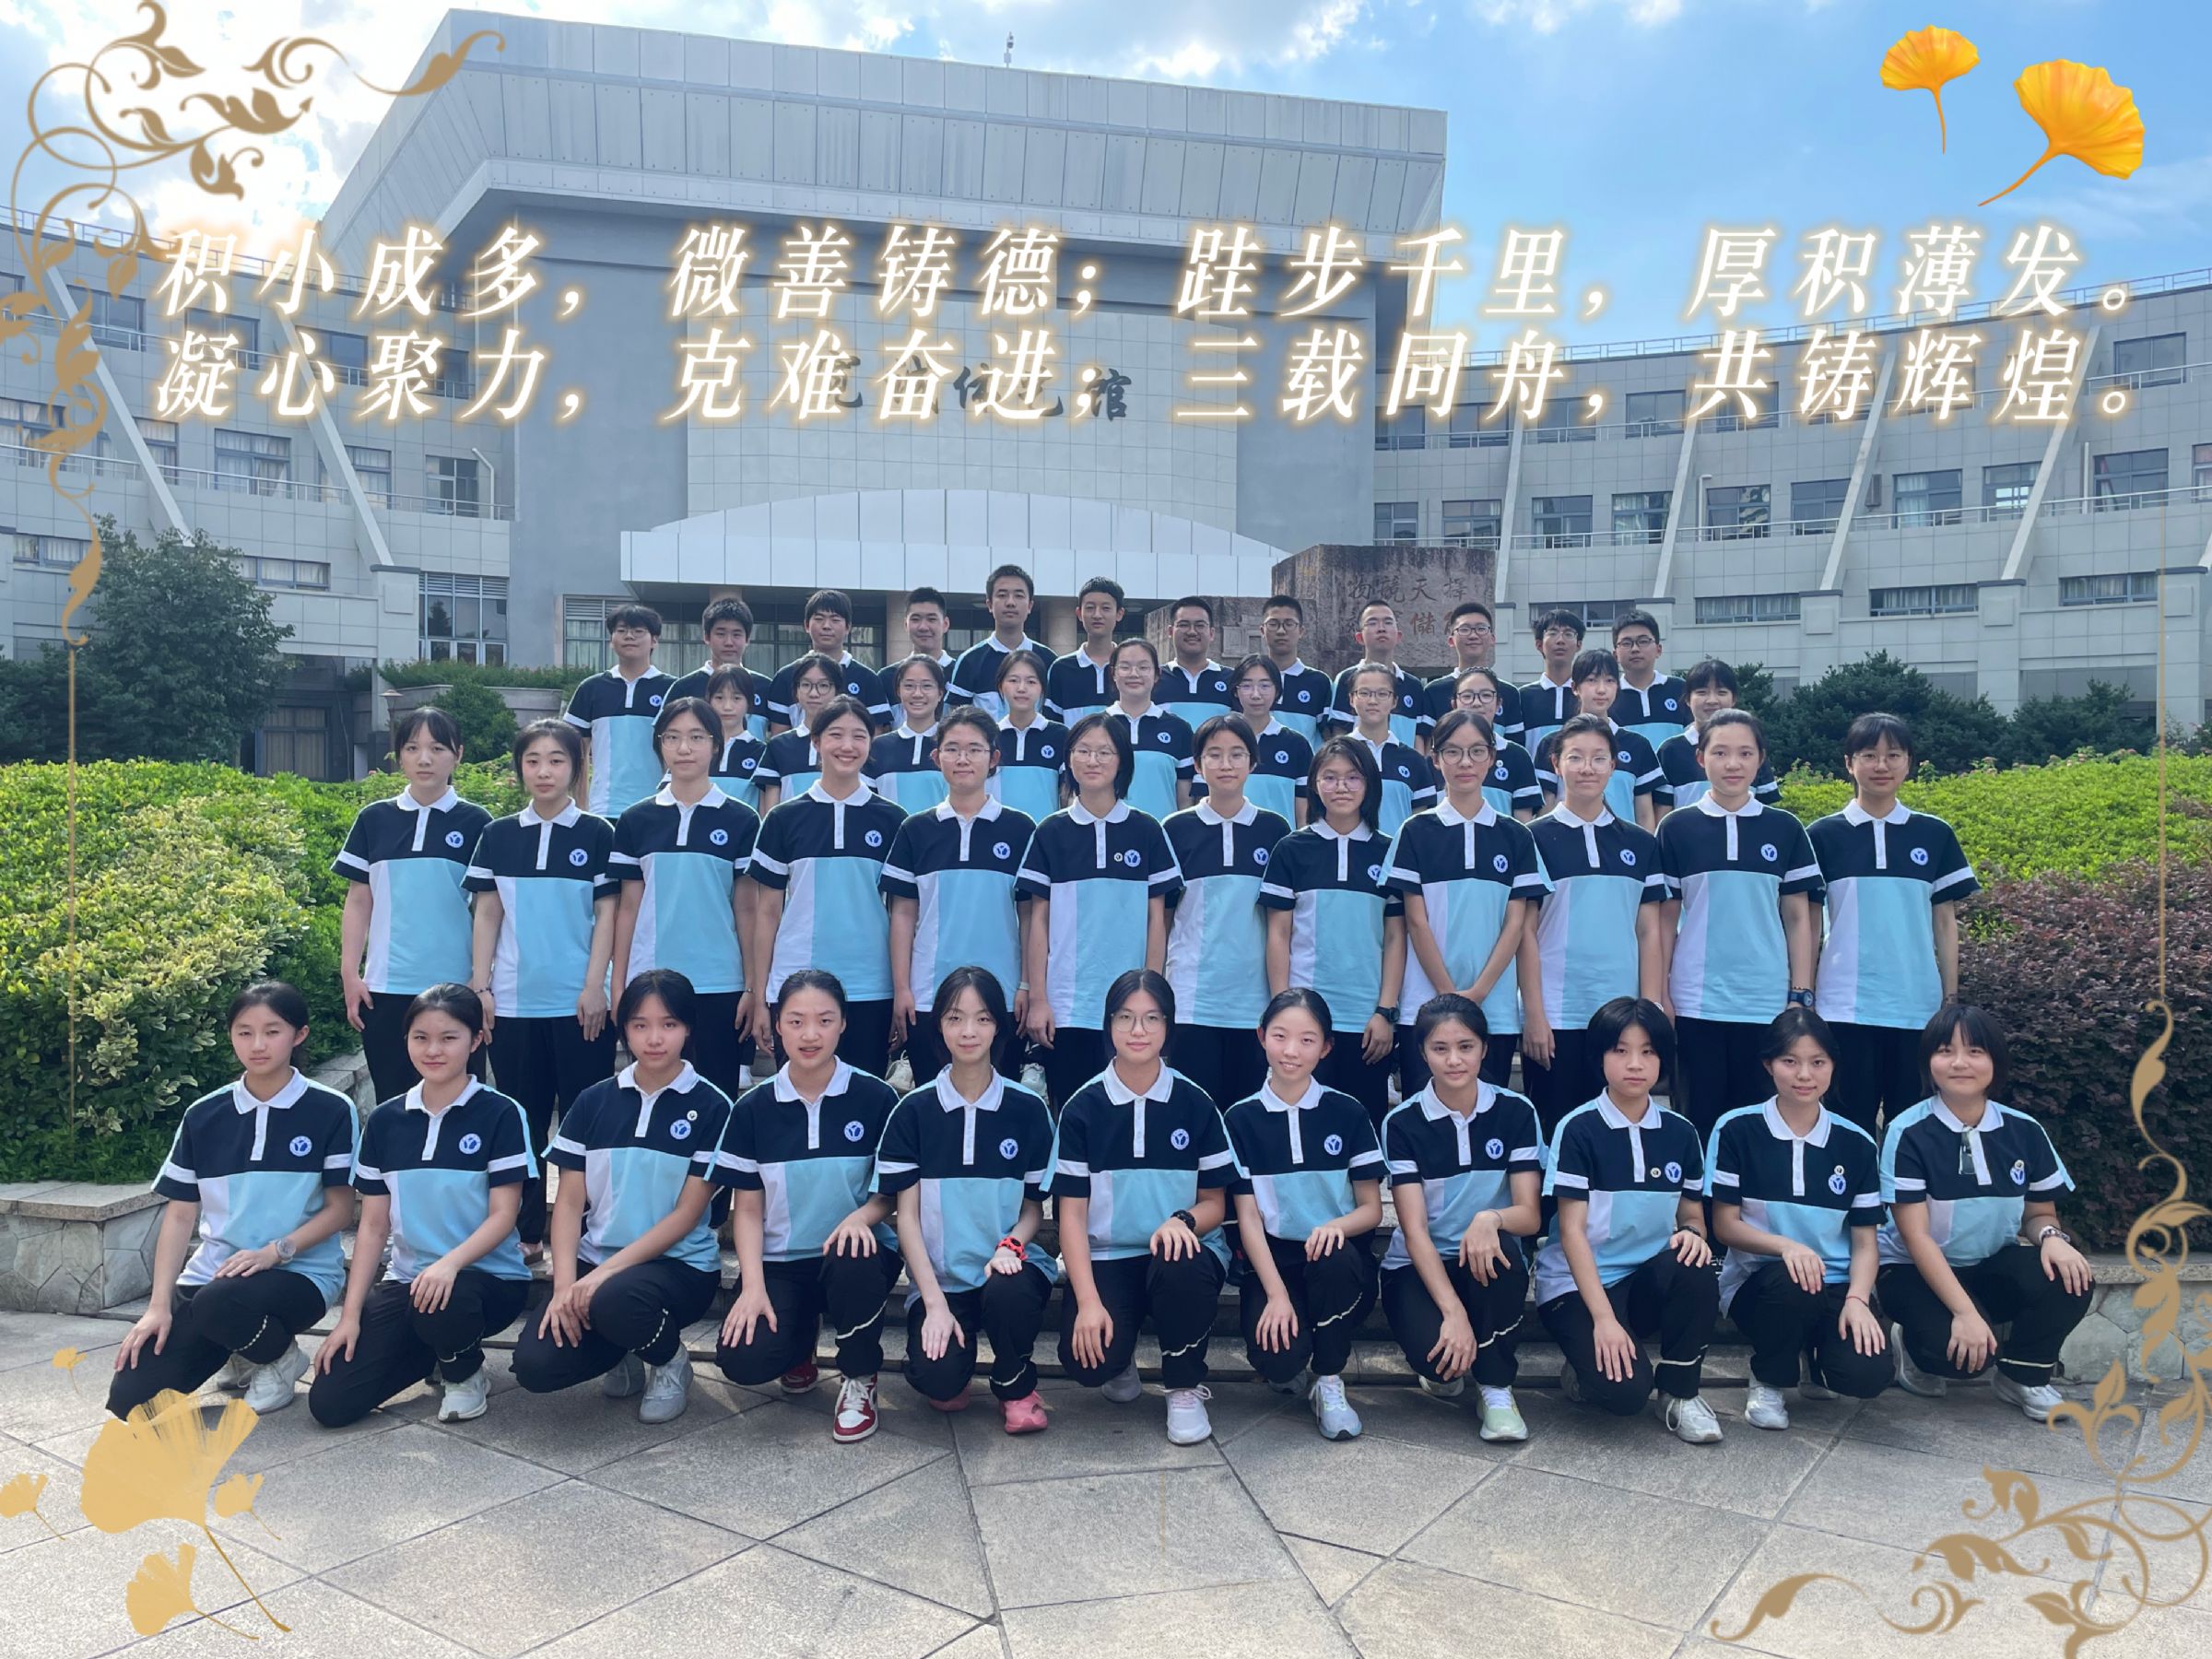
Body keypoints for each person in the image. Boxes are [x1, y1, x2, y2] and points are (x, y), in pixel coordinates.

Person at [109, 982, 357, 1419]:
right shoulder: (204, 1114)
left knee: (220, 1303)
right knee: (132, 1401)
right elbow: (180, 1215)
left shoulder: (330, 1109)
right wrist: (158, 1307)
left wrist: (274, 1252)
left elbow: (341, 1209)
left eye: (272, 1031)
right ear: (231, 1036)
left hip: (299, 1272)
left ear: (299, 1035)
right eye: (245, 1032)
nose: (257, 1044)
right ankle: (242, 1348)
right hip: (215, 1277)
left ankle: (279, 1359)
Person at [310, 985, 534, 1428]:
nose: (433, 1050)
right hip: (409, 1282)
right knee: (331, 1403)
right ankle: (437, 1351)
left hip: (486, 1281)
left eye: (449, 1038)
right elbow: (373, 1227)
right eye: (421, 1038)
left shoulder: (501, 1113)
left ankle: (464, 1373)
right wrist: (349, 1316)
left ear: (476, 1040)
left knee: (446, 1304)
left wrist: (449, 1264)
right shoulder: (386, 1120)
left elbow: (503, 1215)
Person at [512, 971, 729, 1425]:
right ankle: (625, 1352)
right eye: (640, 1025)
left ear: (688, 1029)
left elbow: (688, 1214)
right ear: (624, 1029)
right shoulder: (593, 1102)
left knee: (614, 1298)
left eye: (669, 1024)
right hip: (597, 1261)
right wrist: (564, 1288)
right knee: (535, 1365)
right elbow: (568, 1204)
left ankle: (670, 1363)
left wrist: (602, 1278)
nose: (654, 1038)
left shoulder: (712, 1106)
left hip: (678, 1266)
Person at [1877, 1005, 2093, 1423]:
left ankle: (2023, 1376)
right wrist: (1964, 1313)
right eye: (1945, 1051)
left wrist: (2052, 1238)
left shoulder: (2024, 1130)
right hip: (1912, 1270)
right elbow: (1916, 1237)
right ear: (1928, 1062)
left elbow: (2039, 1212)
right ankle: (1913, 1347)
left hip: (1988, 1262)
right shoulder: (1907, 1131)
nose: (1960, 1063)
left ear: (1996, 1061)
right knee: (1957, 1361)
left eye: (1975, 1051)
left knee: (2071, 1277)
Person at [712, 972, 904, 1440]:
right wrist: (752, 1286)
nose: (810, 1034)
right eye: (796, 1021)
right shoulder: (753, 1108)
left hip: (855, 1255)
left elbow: (889, 1192)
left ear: (844, 1024)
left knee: (853, 1255)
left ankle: (859, 1377)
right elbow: (748, 1209)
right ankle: (799, 1343)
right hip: (782, 1261)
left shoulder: (876, 1097)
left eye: (824, 1020)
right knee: (743, 1359)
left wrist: (861, 1218)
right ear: (778, 1025)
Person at [1053, 970, 1236, 1445]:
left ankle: (1183, 1386)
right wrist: (1088, 1303)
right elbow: (1071, 1215)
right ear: (1109, 1024)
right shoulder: (1082, 1108)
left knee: (1181, 1261)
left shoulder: (1195, 1102)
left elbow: (1215, 1203)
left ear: (1168, 1026)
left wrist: (1183, 1221)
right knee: (1088, 1364)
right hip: (1108, 1254)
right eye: (1126, 1018)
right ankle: (1122, 1358)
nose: (1138, 1030)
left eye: (1152, 1018)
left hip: (1179, 1252)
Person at [1534, 996, 1724, 1443]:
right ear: (1600, 1057)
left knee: (1696, 1263)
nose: (1635, 1064)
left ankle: (1680, 1392)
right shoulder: (1578, 1129)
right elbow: (1572, 1232)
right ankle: (1585, 1366)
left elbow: (1691, 1214)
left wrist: (1693, 1234)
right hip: (1578, 1286)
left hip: (1644, 1279)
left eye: (1648, 1051)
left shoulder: (1681, 1132)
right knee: (1624, 1395)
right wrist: (1603, 1320)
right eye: (1620, 1051)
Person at [875, 967, 1057, 1432]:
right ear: (939, 1025)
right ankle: (954, 1362)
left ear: (998, 1026)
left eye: (982, 1018)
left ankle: (1015, 1384)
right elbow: (906, 1217)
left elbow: (1032, 1208)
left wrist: (1012, 1245)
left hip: (1006, 1268)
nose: (969, 1031)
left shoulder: (1028, 1109)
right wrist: (933, 1302)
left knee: (1010, 1288)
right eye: (955, 1018)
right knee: (940, 1385)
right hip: (942, 1280)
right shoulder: (913, 1111)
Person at [466, 719, 619, 1259]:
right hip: (512, 1002)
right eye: (532, 761)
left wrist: (596, 986)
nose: (544, 771)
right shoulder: (498, 835)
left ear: (576, 768)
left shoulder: (598, 833)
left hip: (580, 1003)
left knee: (584, 1118)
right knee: (522, 1120)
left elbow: (607, 914)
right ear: (520, 769)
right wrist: (481, 986)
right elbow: (487, 913)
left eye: (557, 760)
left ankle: (587, 1230)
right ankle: (527, 1231)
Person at [1707, 1008, 1889, 1431]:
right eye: (1790, 1061)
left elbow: (1865, 1243)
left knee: (1868, 1375)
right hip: (1763, 1283)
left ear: (1833, 1065)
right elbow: (1725, 1226)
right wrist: (1787, 1247)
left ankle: (1816, 1360)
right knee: (1794, 1283)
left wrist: (1858, 1300)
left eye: (1817, 1062)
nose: (1804, 1074)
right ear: (1768, 1064)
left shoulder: (1857, 1143)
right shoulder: (1737, 1129)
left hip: (1835, 1283)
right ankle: (1769, 1379)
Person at [1378, 994, 1544, 1442]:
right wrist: (1452, 1313)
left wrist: (1489, 1217)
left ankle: (1496, 1389)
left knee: (1501, 1249)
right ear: (1422, 1052)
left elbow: (1529, 1216)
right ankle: (1453, 1354)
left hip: (1485, 1255)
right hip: (1419, 1263)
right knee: (1438, 1363)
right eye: (1440, 1048)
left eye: (1466, 1046)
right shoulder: (1403, 1122)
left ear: (1485, 1048)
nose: (1454, 1060)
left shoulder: (1516, 1111)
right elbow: (1414, 1231)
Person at [1223, 987, 1384, 1440]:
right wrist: (1275, 1294)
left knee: (1334, 1256)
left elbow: (1372, 1209)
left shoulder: (1347, 1112)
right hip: (1274, 1262)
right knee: (1277, 1360)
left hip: (1337, 1260)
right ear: (1261, 1037)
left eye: (1307, 1040)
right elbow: (1248, 1218)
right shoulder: (1240, 1119)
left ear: (1326, 1047)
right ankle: (1295, 1358)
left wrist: (1334, 1227)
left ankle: (1329, 1379)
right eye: (1280, 1036)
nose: (1291, 1051)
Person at [1808, 713, 1981, 1136]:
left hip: (1916, 1004)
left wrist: (1950, 996)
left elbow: (1945, 921)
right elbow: (1807, 924)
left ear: (1909, 763)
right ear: (1849, 763)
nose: (1881, 765)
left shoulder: (1934, 834)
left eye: (1893, 755)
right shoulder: (1822, 836)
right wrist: (1806, 993)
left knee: (1914, 1125)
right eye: (1869, 755)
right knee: (1849, 1126)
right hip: (1844, 1004)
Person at [1656, 710, 1823, 1138]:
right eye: (1720, 753)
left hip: (1766, 1000)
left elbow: (1798, 917)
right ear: (1700, 758)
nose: (1733, 764)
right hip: (1696, 999)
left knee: (1759, 1124)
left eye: (1745, 753)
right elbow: (1665, 919)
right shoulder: (1676, 827)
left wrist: (1800, 994)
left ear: (1761, 759)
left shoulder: (1784, 828)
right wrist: (1661, 993)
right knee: (1699, 1120)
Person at [1017, 713, 1182, 1109]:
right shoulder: (1050, 832)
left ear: (1122, 761)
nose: (1093, 760)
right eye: (1083, 751)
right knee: (1072, 1110)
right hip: (1067, 1005)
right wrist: (1039, 998)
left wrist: (1151, 994)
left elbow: (1157, 919)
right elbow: (1038, 921)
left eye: (1105, 752)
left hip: (1130, 1007)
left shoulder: (1147, 830)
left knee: (1131, 1109)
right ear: (1069, 760)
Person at [1517, 715, 1669, 1134]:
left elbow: (1649, 932)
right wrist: (1534, 1014)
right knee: (1556, 1130)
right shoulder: (1531, 838)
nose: (1587, 768)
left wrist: (1650, 1009)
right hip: (1556, 1013)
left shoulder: (1640, 842)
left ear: (1613, 765)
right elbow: (1524, 932)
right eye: (1576, 757)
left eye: (1599, 758)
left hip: (1621, 1014)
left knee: (1618, 1132)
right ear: (1555, 763)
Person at [608, 698, 760, 1105]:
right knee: (653, 1098)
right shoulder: (636, 820)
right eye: (672, 738)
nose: (684, 748)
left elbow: (747, 909)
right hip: (651, 979)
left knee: (715, 1101)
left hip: (720, 981)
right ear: (659, 745)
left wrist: (751, 985)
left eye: (696, 737)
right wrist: (618, 984)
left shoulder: (741, 819)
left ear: (716, 745)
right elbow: (628, 907)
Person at [336, 707, 492, 1103]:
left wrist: (481, 981)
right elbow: (359, 900)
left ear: (457, 754)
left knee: (461, 1099)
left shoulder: (478, 822)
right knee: (393, 1103)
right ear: (399, 756)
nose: (425, 759)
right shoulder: (374, 819)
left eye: (437, 748)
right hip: (385, 987)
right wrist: (350, 973)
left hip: (456, 988)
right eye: (412, 748)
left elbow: (488, 911)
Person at [1387, 711, 1544, 1094]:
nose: (1465, 762)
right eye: (1453, 752)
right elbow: (1416, 921)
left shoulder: (1515, 835)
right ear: (1435, 759)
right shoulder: (1415, 831)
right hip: (1424, 1006)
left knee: (1489, 1115)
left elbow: (1515, 924)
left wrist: (1478, 994)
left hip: (1494, 1009)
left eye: (1476, 751)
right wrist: (1448, 997)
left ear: (1492, 758)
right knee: (1425, 1117)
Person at [748, 695, 905, 1074]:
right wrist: (759, 995)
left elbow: (902, 913)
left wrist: (901, 991)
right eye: (835, 735)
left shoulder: (894, 820)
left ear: (871, 744)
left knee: (865, 1096)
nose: (847, 746)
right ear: (816, 742)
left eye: (859, 736)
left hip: (871, 984)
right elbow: (766, 913)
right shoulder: (783, 819)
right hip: (796, 981)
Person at [883, 707, 1036, 1085]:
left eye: (974, 749)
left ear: (993, 758)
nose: (963, 759)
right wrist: (902, 989)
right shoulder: (915, 829)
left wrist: (1026, 984)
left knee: (999, 1101)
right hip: (928, 993)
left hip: (1003, 994)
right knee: (934, 1101)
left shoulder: (1020, 829)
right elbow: (903, 914)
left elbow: (1031, 916)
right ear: (937, 758)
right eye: (952, 749)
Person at [1262, 737, 1407, 1126]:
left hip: (1367, 1021)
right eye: (1330, 777)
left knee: (1362, 1127)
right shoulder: (1292, 849)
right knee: (1303, 1126)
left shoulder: (1389, 852)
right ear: (1314, 784)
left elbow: (1396, 937)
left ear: (1370, 785)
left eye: (1352, 777)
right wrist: (1283, 1011)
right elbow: (1279, 935)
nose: (1341, 787)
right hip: (1306, 1018)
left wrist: (1385, 1011)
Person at [1162, 715, 1291, 1112]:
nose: (1225, 764)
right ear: (1197, 765)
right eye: (1214, 755)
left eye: (1237, 754)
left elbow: (1281, 924)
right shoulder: (1175, 829)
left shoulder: (1275, 830)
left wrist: (1280, 1000)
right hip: (1191, 998)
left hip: (1253, 1001)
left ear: (1253, 762)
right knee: (1194, 1114)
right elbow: (1163, 918)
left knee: (1246, 1114)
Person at [565, 603, 677, 817]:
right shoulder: (591, 688)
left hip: (660, 808)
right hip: (603, 809)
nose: (629, 636)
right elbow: (576, 752)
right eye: (622, 630)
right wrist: (581, 808)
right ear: (611, 640)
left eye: (638, 631)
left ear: (654, 640)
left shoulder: (673, 689)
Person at [1533, 651, 1662, 830]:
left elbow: (1644, 815)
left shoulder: (1637, 745)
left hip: (1623, 842)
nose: (1601, 689)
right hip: (1567, 840)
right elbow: (1547, 807)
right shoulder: (1553, 743)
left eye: (1609, 681)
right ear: (1575, 687)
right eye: (1592, 680)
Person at [1654, 659, 1782, 817]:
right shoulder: (1671, 751)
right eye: (1702, 692)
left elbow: (1766, 809)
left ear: (1733, 698)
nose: (1712, 700)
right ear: (1688, 699)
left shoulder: (1750, 747)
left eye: (1721, 692)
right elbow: (1662, 810)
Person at [1204, 654, 1312, 827]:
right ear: (1236, 691)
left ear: (1277, 690)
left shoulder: (1296, 744)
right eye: (1247, 686)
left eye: (1264, 686)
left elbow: (1304, 815)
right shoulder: (1217, 741)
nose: (1256, 695)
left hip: (1280, 841)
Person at [1341, 662, 1436, 839]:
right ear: (1351, 699)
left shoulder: (1414, 760)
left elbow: (1420, 824)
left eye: (1382, 694)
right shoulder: (1336, 755)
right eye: (1364, 693)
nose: (1373, 701)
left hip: (1399, 853)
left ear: (1394, 701)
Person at [767, 588, 885, 730]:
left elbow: (876, 736)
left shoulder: (868, 679)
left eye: (835, 620)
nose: (826, 626)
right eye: (819, 619)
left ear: (848, 627)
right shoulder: (786, 677)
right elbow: (780, 736)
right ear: (806, 625)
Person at [1104, 636, 1194, 820]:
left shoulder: (1179, 729)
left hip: (1161, 832)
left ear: (1156, 674)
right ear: (1113, 673)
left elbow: (1185, 801)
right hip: (1107, 831)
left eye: (1143, 667)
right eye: (1125, 667)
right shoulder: (1095, 728)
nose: (1134, 674)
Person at [948, 563, 1053, 717]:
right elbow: (956, 718)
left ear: (1030, 605)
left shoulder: (1049, 660)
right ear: (990, 604)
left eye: (1019, 596)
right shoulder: (970, 660)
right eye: (1002, 595)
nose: (1010, 602)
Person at [668, 595, 772, 737]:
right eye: (721, 634)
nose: (729, 642)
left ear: (747, 639)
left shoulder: (765, 687)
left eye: (736, 634)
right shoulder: (684, 688)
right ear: (706, 637)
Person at [1325, 599, 1426, 747]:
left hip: (1403, 761)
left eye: (1388, 622)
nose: (1381, 628)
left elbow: (1418, 737)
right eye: (1372, 623)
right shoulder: (1347, 678)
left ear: (1398, 636)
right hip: (1359, 760)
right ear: (1359, 637)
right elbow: (1339, 732)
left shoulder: (1413, 685)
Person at [1426, 600, 1524, 747]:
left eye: (1481, 628)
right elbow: (1428, 745)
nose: (1473, 635)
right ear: (1451, 640)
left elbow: (1515, 745)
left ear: (1492, 639)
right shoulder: (1433, 691)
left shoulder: (1509, 692)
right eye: (1464, 629)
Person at [988, 649, 1070, 823]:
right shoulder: (988, 736)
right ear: (1000, 686)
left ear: (1042, 688)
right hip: (996, 833)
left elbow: (1067, 795)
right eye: (1013, 680)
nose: (1021, 688)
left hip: (1044, 833)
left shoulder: (1060, 736)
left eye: (1031, 682)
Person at [1449, 668, 1540, 820]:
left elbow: (1523, 821)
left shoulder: (1517, 756)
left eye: (1486, 695)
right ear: (1454, 704)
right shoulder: (1441, 754)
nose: (1477, 703)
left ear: (1498, 704)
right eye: (1467, 696)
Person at [866, 654, 950, 816]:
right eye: (909, 686)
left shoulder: (952, 746)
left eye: (927, 686)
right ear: (898, 691)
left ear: (940, 693)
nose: (917, 694)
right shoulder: (877, 748)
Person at [757, 651, 841, 808]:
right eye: (806, 685)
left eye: (823, 686)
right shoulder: (779, 746)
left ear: (837, 691)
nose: (814, 693)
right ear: (796, 691)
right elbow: (770, 810)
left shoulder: (847, 746)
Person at [1044, 575, 1126, 724]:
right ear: (1079, 614)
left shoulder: (1129, 668)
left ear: (1119, 614)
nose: (1097, 615)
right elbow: (1052, 724)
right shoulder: (1061, 669)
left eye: (1106, 608)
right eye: (1090, 608)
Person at [1609, 609, 1690, 755]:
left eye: (1643, 641)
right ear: (1615, 654)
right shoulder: (1608, 696)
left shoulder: (1681, 689)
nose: (1635, 649)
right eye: (1626, 643)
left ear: (1658, 649)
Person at [1257, 594, 1334, 744]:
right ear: (1262, 631)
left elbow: (1328, 736)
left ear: (1301, 631)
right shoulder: (1249, 680)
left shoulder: (1319, 682)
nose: (1281, 631)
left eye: (1289, 624)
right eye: (1273, 624)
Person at [1157, 596, 1235, 727]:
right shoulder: (1155, 678)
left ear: (1211, 633)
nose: (1192, 632)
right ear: (1170, 631)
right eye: (1183, 625)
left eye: (1200, 625)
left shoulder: (1232, 679)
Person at [1519, 607, 1584, 756]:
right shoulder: (1522, 697)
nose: (1560, 641)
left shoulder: (1586, 694)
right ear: (1539, 644)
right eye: (1553, 633)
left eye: (1568, 634)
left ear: (1579, 644)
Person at [705, 665, 770, 812]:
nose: (727, 707)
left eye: (736, 698)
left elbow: (765, 812)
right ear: (709, 701)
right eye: (719, 698)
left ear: (749, 702)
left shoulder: (762, 753)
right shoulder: (695, 748)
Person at [900, 584, 958, 673]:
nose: (923, 627)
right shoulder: (888, 676)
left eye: (931, 619)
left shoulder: (962, 674)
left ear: (945, 624)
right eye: (916, 619)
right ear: (906, 625)